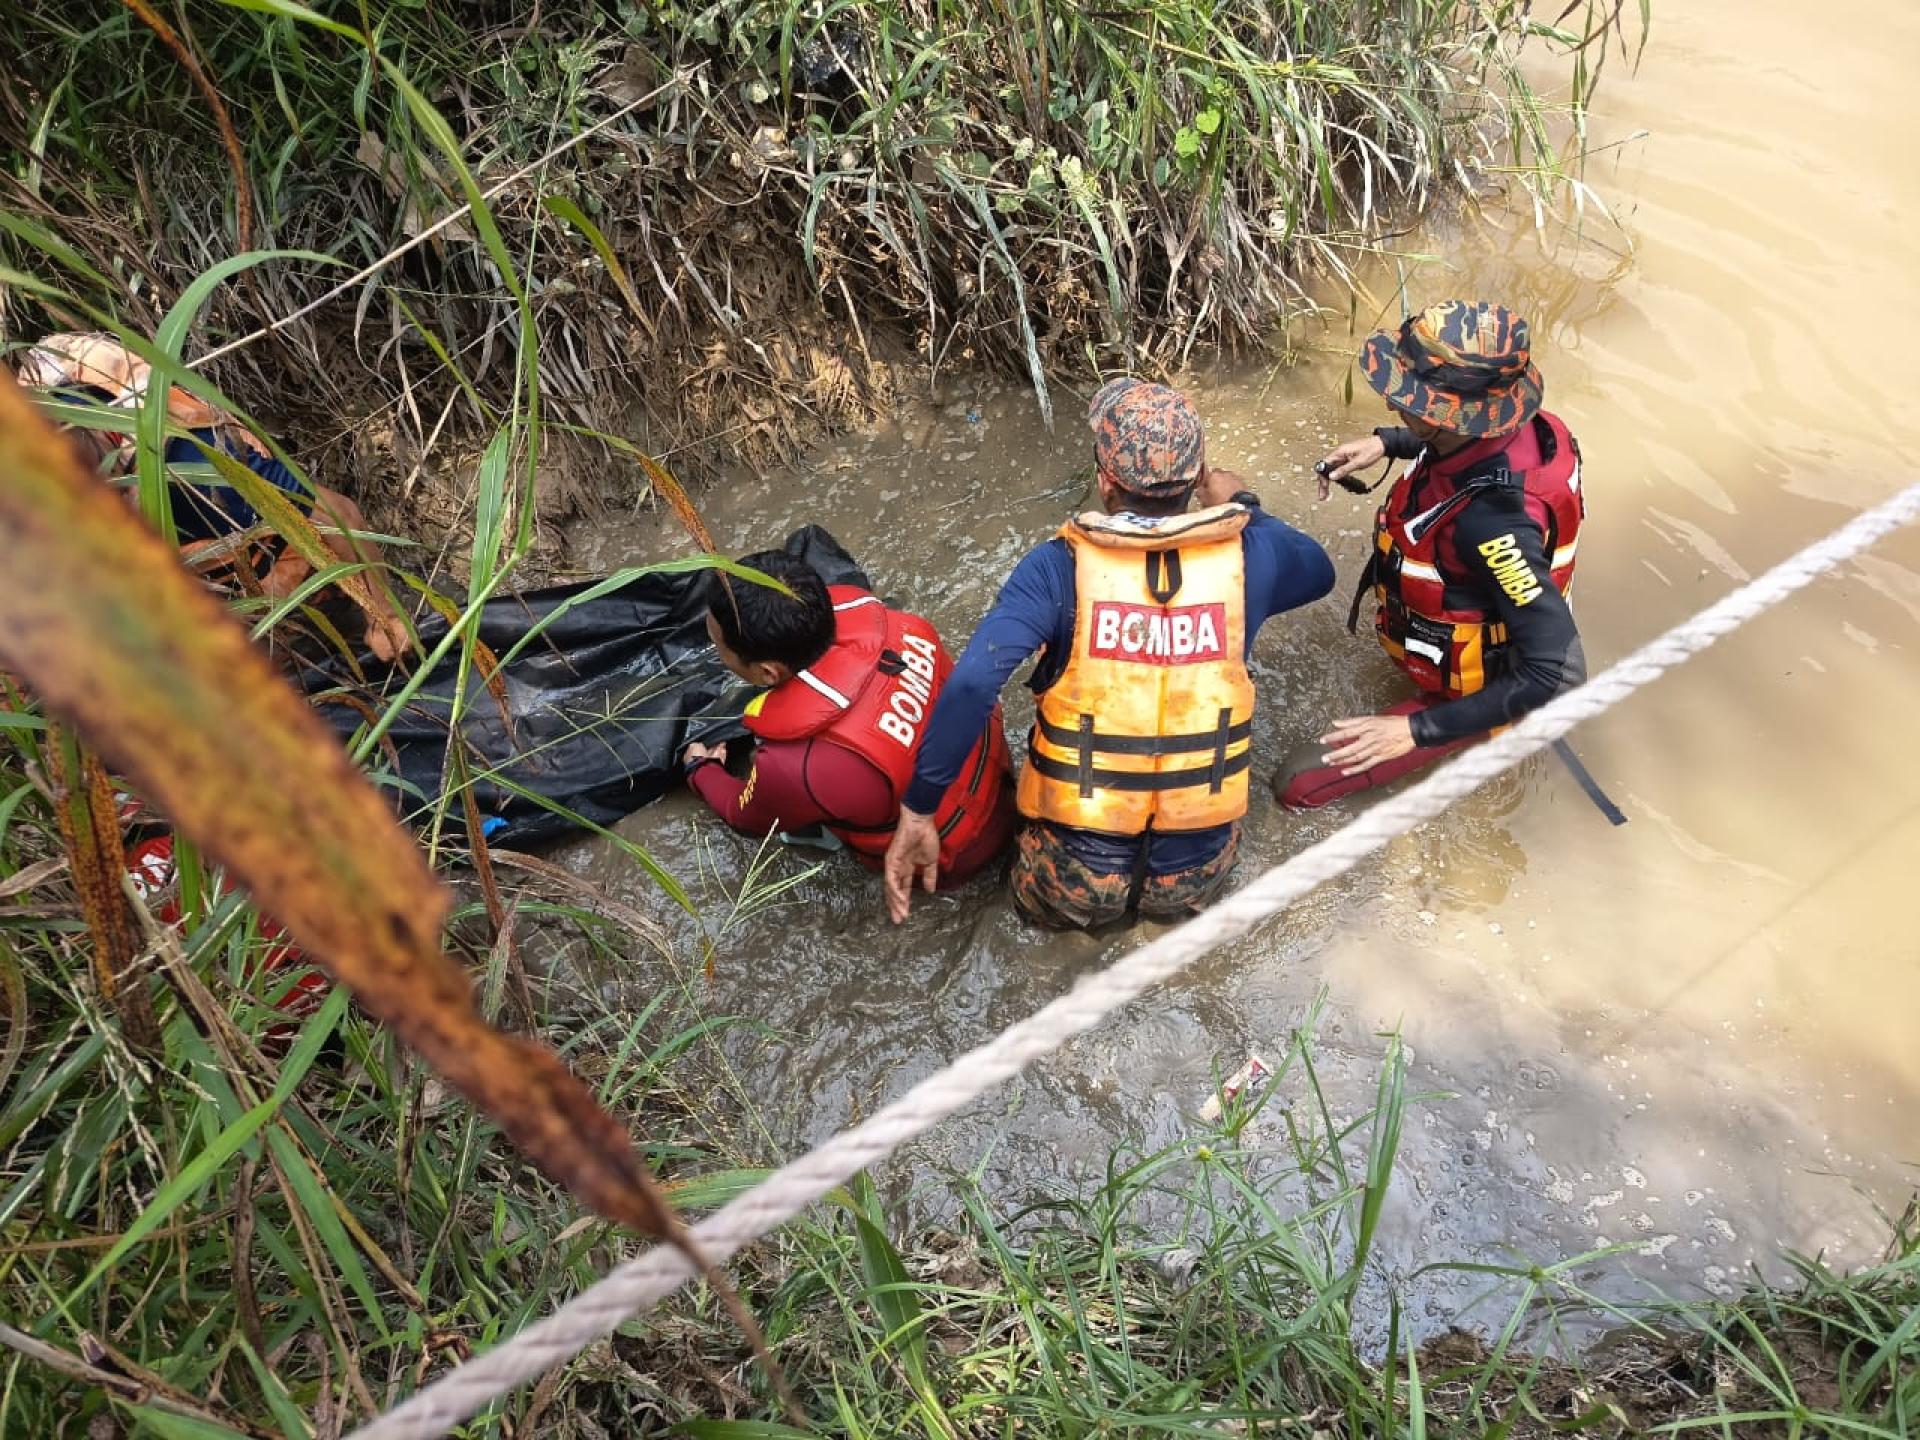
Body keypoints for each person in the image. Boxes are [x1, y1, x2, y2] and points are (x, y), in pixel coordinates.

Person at [883, 379, 1336, 930]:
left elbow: (975, 686)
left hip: (1077, 872)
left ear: (1105, 481)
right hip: (1193, 869)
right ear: (1196, 480)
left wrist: (919, 810)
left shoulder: (1055, 569)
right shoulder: (1254, 557)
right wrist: (1245, 507)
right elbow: (1320, 570)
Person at [1274, 301, 1587, 807]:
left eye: (1410, 402)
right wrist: (1391, 442)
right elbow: (1472, 452)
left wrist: (1417, 731)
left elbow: (1558, 673)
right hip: (1494, 622)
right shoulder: (1523, 425)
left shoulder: (1493, 525)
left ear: (1454, 416)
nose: (1396, 405)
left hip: (1488, 689)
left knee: (1297, 784)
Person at [14, 332, 410, 662]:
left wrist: (383, 615)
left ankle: (316, 607)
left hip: (252, 540)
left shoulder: (193, 470)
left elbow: (338, 515)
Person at [682, 551, 1016, 884]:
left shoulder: (795, 766)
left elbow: (745, 819)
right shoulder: (903, 625)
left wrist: (700, 770)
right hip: (1000, 785)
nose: (716, 651)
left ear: (767, 672)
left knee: (779, 790)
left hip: (956, 854)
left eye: (717, 645)